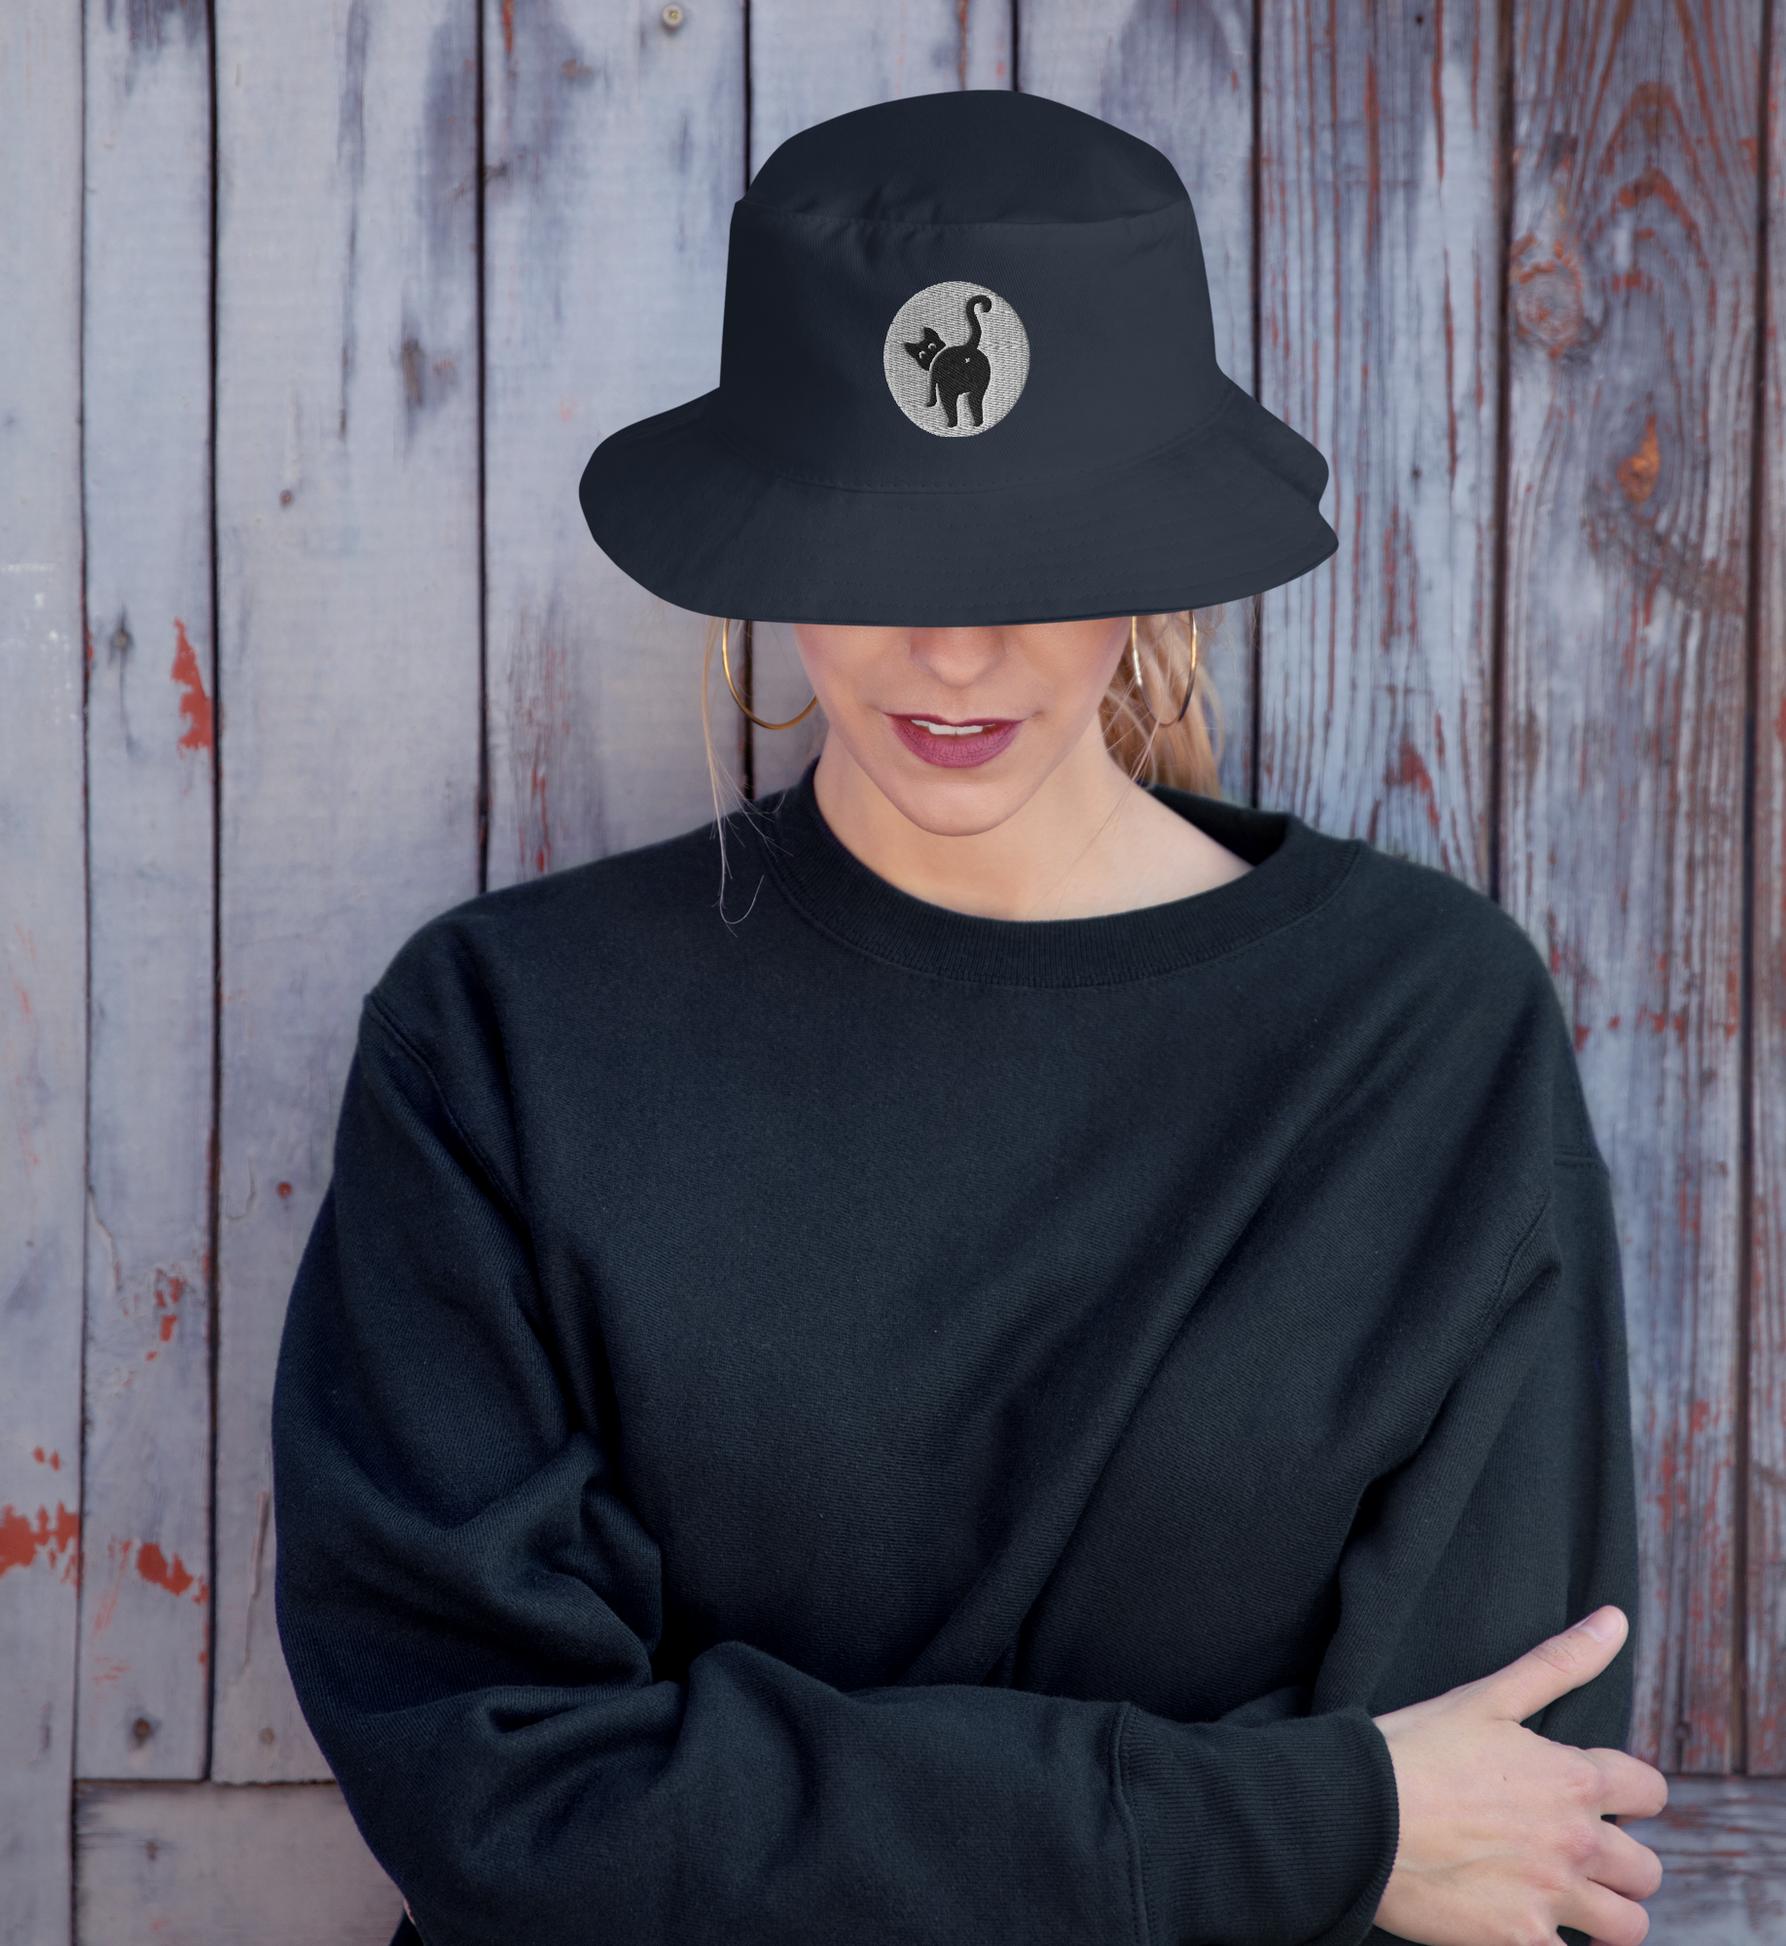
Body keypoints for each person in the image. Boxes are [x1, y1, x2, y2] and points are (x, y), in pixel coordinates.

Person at [272, 91, 1666, 1946]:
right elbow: (505, 1785)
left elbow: (1500, 1835)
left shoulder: (1420, 1035)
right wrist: (1295, 1822)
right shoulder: (501, 1038)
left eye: (1041, 547)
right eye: (881, 539)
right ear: (765, 528)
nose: (954, 647)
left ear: (1163, 548)